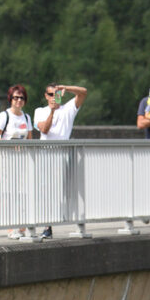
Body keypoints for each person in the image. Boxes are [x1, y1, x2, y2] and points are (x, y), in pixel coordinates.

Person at [33, 83, 88, 238]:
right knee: (45, 191)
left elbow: (83, 92)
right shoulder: (40, 111)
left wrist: (66, 88)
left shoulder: (68, 109)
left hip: (63, 155)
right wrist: (51, 112)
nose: (53, 98)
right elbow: (44, 129)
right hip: (44, 155)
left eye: (55, 94)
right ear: (46, 96)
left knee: (65, 191)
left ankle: (75, 222)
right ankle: (47, 226)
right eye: (50, 94)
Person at [0, 84, 32, 239]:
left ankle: (21, 225)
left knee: (22, 192)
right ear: (10, 99)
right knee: (9, 193)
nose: (19, 101)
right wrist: (10, 143)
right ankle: (10, 226)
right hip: (6, 160)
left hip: (22, 161)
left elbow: (30, 139)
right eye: (16, 97)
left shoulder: (26, 117)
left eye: (22, 98)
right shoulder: (4, 116)